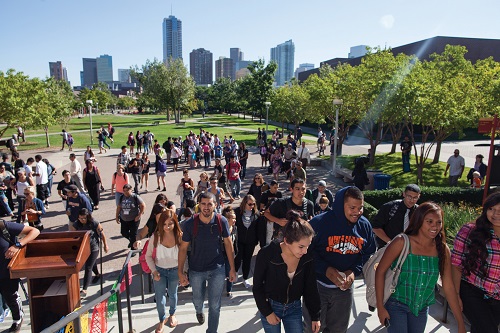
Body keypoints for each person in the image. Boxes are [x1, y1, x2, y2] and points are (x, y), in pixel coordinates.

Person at [375, 202, 466, 333]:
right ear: (419, 220)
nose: (435, 226)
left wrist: (460, 323)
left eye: (438, 222)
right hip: (396, 305)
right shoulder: (401, 242)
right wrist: (380, 307)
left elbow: (448, 286)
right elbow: (380, 271)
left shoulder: (442, 249)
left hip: (421, 309)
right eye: (429, 221)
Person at [303, 186, 377, 333]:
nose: (357, 212)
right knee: (312, 329)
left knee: (338, 330)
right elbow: (305, 253)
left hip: (344, 292)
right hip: (317, 287)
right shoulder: (319, 223)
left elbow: (368, 253)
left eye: (360, 207)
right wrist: (325, 269)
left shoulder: (364, 226)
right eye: (352, 207)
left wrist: (353, 271)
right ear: (340, 205)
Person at [177, 192, 237, 333]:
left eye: (210, 204)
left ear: (215, 205)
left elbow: (228, 245)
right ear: (199, 205)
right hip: (196, 270)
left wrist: (232, 268)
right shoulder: (190, 224)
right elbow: (183, 248)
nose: (206, 207)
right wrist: (180, 272)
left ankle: (212, 331)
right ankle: (199, 310)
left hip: (217, 269)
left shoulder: (221, 221)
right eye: (203, 204)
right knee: (198, 300)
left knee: (215, 305)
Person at [253, 210, 321, 333]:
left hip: (294, 308)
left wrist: (315, 316)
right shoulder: (267, 254)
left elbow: (310, 287)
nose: (305, 251)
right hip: (271, 306)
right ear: (287, 240)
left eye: (308, 246)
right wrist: (267, 312)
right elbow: (257, 287)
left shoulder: (307, 257)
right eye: (301, 246)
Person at [451, 192, 500, 333]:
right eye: (492, 209)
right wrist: (456, 296)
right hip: (473, 291)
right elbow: (456, 264)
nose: (495, 214)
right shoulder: (470, 230)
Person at [146, 209, 183, 331]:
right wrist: (154, 271)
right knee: (160, 297)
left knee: (173, 294)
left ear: (175, 223)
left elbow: (184, 255)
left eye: (170, 224)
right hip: (159, 271)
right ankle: (161, 319)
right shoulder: (155, 237)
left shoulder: (179, 236)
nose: (167, 227)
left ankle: (172, 315)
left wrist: (183, 272)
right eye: (165, 224)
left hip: (175, 270)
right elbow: (148, 256)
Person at [0, 219, 40, 333]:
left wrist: (18, 245)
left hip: (5, 272)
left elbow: (35, 231)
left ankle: (17, 319)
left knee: (11, 297)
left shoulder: (3, 226)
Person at [371, 184, 421, 248]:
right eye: (409, 197)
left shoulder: (419, 211)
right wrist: (390, 243)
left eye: (415, 198)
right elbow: (376, 227)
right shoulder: (390, 208)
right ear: (404, 194)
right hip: (387, 246)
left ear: (419, 196)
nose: (412, 200)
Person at [264, 178, 314, 242]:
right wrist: (278, 221)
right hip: (282, 240)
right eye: (297, 189)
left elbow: (311, 219)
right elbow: (266, 213)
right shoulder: (281, 202)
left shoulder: (309, 204)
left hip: (300, 241)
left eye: (303, 189)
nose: (301, 192)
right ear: (291, 189)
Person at [73, 208, 108, 298]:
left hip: (94, 247)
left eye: (84, 218)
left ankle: (84, 289)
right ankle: (97, 274)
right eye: (80, 218)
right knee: (91, 263)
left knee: (88, 267)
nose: (82, 220)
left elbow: (102, 234)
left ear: (88, 217)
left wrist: (105, 245)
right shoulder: (76, 224)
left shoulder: (94, 222)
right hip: (84, 248)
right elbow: (73, 234)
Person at [234, 195, 260, 289]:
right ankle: (235, 273)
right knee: (237, 257)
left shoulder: (256, 214)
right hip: (239, 240)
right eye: (250, 204)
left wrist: (257, 240)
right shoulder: (237, 212)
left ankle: (245, 278)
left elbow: (258, 229)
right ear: (244, 203)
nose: (252, 206)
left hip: (251, 241)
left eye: (253, 204)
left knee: (247, 260)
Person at [116, 184, 146, 250]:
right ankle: (132, 241)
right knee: (123, 233)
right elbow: (119, 207)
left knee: (133, 234)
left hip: (134, 219)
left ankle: (134, 249)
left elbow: (143, 205)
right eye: (124, 191)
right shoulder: (121, 197)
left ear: (131, 190)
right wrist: (117, 216)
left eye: (127, 190)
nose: (125, 192)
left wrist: (139, 215)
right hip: (124, 219)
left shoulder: (135, 197)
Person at [221, 206, 237, 297]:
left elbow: (235, 242)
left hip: (230, 254)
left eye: (235, 218)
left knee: (230, 270)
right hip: (221, 253)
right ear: (227, 219)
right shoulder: (221, 230)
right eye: (232, 218)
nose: (234, 220)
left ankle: (229, 289)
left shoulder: (235, 229)